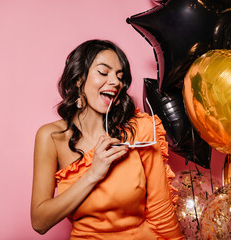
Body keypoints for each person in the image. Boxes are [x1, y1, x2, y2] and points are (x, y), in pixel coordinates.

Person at [30, 39, 184, 239]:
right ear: (79, 79)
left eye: (120, 77)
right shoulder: (51, 137)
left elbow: (161, 213)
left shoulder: (141, 130)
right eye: (103, 72)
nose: (115, 82)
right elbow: (40, 222)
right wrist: (94, 173)